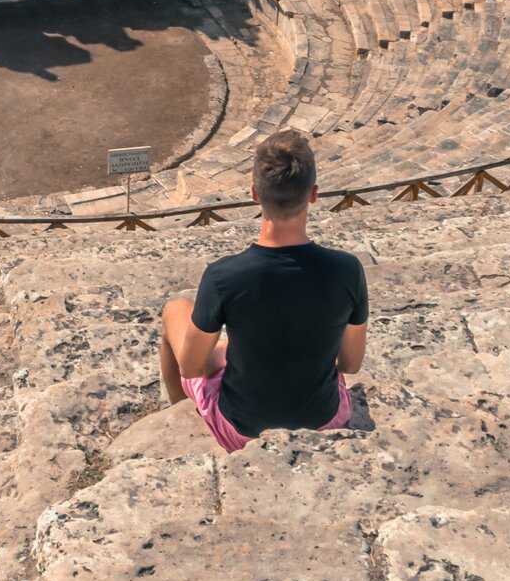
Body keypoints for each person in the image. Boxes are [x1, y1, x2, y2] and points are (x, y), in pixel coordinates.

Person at [158, 130, 368, 453]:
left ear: (254, 194)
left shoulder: (223, 277)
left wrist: (224, 354)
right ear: (313, 194)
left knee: (175, 309)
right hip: (325, 420)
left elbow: (191, 366)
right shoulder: (348, 271)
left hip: (241, 430)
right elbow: (350, 364)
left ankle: (177, 416)